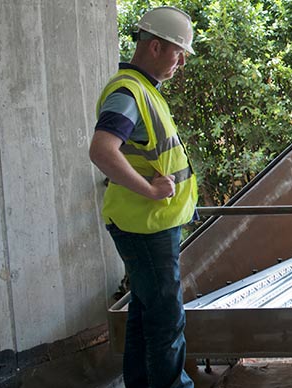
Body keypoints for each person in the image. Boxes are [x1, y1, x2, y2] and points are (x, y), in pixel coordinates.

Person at [88, 6, 198, 388]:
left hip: (146, 222)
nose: (181, 62)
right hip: (145, 225)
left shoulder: (142, 89)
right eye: (178, 52)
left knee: (143, 312)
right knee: (167, 319)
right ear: (154, 47)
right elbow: (103, 150)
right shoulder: (128, 92)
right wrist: (151, 190)